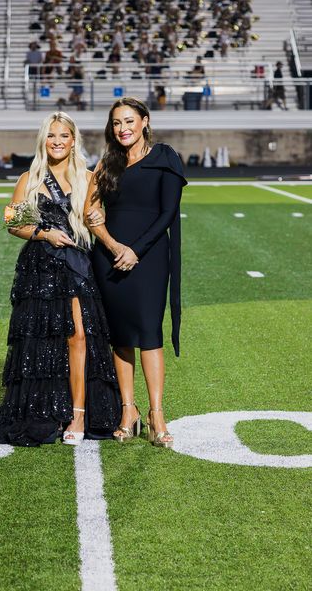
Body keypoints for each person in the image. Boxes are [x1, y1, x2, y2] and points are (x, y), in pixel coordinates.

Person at [0, 112, 121, 447]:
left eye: (64, 135)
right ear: (44, 140)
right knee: (43, 342)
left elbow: (95, 221)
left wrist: (100, 217)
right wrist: (43, 233)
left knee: (79, 337)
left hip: (77, 265)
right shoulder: (29, 178)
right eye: (51, 135)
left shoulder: (88, 177)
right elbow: (13, 224)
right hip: (40, 268)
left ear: (73, 140)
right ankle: (49, 409)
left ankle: (80, 413)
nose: (57, 141)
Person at [84, 97, 187, 447]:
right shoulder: (107, 163)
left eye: (129, 121)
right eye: (116, 123)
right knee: (121, 334)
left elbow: (168, 213)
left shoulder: (165, 157)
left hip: (150, 257)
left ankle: (157, 413)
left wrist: (135, 250)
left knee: (148, 332)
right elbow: (91, 212)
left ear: (145, 121)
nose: (123, 129)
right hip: (109, 257)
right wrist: (114, 246)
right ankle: (129, 410)